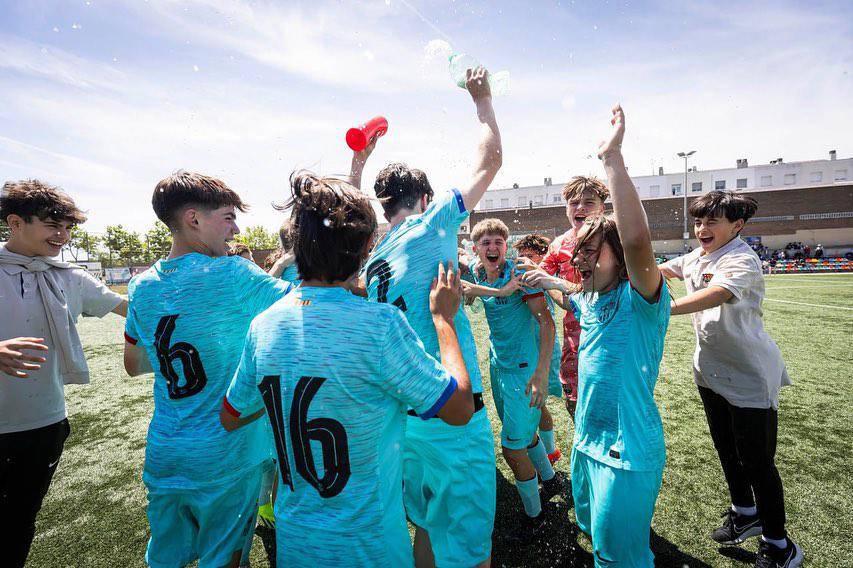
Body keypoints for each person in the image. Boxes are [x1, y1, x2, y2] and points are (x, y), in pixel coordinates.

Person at [220, 172, 475, 566]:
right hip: (369, 545)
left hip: (296, 544)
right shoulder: (379, 325)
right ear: (365, 248)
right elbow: (459, 410)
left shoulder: (264, 325)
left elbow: (231, 416)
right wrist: (443, 319)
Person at [351, 65, 502, 567]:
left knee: (426, 526)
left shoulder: (372, 256)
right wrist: (481, 102)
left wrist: (357, 163)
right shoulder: (429, 224)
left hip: (403, 419)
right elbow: (490, 161)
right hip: (453, 417)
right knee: (470, 550)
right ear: (424, 199)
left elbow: (347, 215)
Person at [122, 171, 293, 568]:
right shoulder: (233, 273)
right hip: (226, 455)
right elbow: (314, 300)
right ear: (194, 219)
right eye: (229, 216)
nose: (236, 228)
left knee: (164, 560)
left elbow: (133, 365)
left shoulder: (141, 286)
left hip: (166, 453)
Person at [660, 191, 803, 568]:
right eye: (699, 221)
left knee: (758, 462)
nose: (702, 228)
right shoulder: (698, 254)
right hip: (708, 369)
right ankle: (745, 512)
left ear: (736, 226)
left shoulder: (741, 258)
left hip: (749, 373)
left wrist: (663, 310)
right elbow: (663, 269)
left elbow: (717, 294)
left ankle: (779, 543)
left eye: (712, 221)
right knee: (727, 450)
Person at [0, 179, 127, 568]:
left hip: (45, 424)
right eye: (53, 225)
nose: (63, 236)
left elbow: (129, 307)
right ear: (16, 222)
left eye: (68, 227)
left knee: (19, 523)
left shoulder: (69, 276)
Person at [567, 105, 670, 567]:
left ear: (617, 256)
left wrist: (613, 160)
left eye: (591, 251)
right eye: (578, 251)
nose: (580, 259)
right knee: (599, 545)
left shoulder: (641, 299)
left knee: (618, 560)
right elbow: (566, 289)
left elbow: (636, 243)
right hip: (585, 443)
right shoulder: (589, 299)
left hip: (626, 453)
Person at [464, 219, 562, 538]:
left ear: (506, 246)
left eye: (498, 242)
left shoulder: (520, 274)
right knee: (523, 434)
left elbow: (547, 324)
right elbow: (464, 294)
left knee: (511, 449)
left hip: (524, 367)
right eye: (485, 243)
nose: (492, 248)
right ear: (476, 247)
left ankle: (536, 517)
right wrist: (496, 290)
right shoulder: (477, 272)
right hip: (498, 363)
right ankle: (550, 480)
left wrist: (542, 371)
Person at [517, 177, 609, 419]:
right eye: (574, 203)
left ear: (603, 207)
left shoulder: (613, 238)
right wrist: (563, 298)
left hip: (608, 331)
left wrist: (561, 287)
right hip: (574, 335)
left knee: (609, 403)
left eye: (589, 202)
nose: (580, 208)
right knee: (574, 402)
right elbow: (542, 274)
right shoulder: (559, 244)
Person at [513, 234, 566, 463]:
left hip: (542, 346)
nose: (524, 260)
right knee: (535, 404)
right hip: (524, 348)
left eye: (530, 256)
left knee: (538, 403)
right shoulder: (520, 277)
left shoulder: (544, 277)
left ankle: (549, 452)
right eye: (521, 256)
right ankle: (549, 451)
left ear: (543, 258)